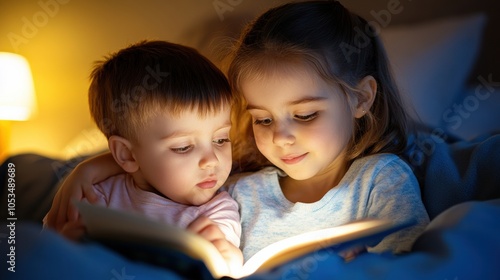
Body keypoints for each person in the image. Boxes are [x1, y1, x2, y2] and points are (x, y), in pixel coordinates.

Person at [46, 1, 429, 262]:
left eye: (306, 114)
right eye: (263, 119)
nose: (280, 137)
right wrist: (88, 168)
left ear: (361, 99)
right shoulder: (241, 190)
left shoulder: (380, 181)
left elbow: (414, 262)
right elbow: (156, 171)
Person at [44, 40, 243, 270]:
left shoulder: (216, 210)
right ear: (127, 155)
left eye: (220, 139)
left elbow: (224, 262)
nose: (212, 160)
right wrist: (65, 245)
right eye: (183, 147)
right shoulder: (96, 196)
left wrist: (227, 257)